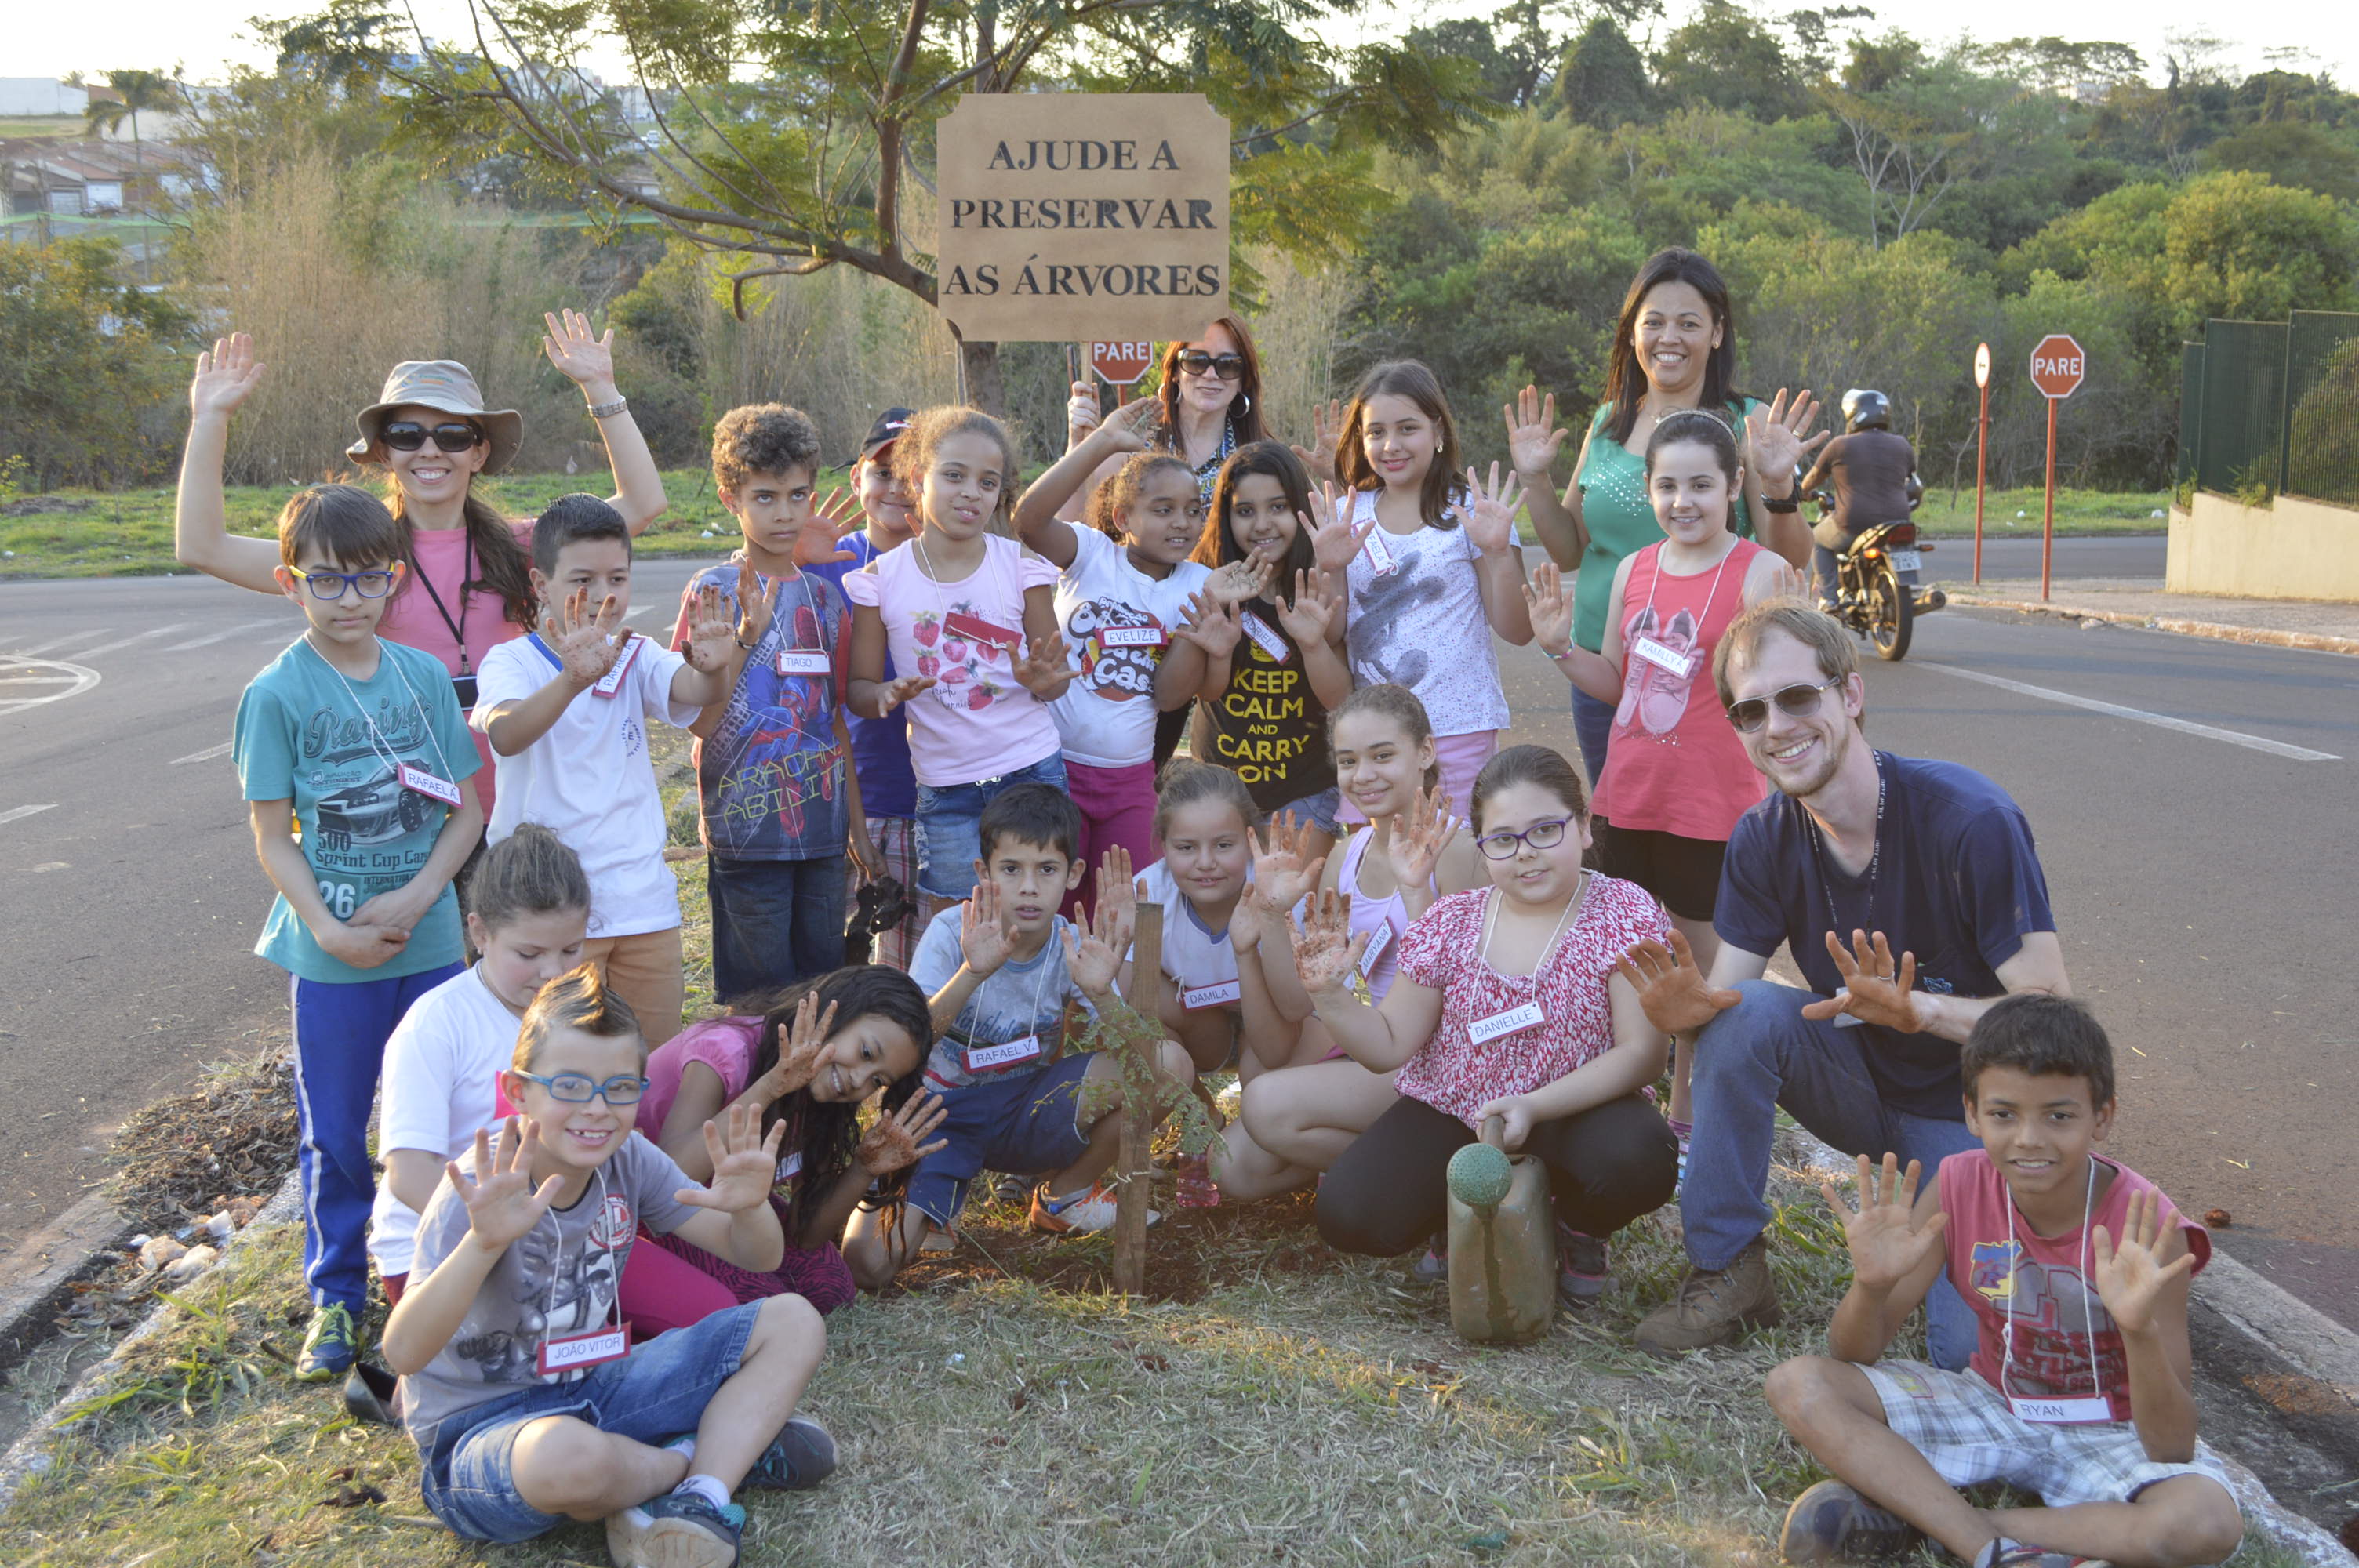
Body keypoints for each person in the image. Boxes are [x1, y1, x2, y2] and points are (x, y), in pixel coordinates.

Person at [1617, 601, 2070, 1363]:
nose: (1777, 726)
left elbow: (2050, 1017)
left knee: (1970, 1354)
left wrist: (1918, 1009)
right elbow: (1727, 1003)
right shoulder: (1763, 837)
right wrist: (1682, 1014)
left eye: (1797, 696)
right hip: (1860, 1091)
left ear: (1849, 695)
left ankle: (1991, 1255)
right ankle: (1727, 1267)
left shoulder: (1968, 818)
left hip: (1968, 1121)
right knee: (1747, 1015)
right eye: (1750, 709)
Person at [1765, 996, 2242, 1568]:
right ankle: (1991, 1551)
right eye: (2004, 1114)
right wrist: (1871, 1285)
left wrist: (2137, 1330)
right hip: (1991, 1403)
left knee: (2206, 1524)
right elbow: (1853, 1354)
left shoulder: (2149, 1227)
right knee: (1799, 1384)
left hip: (2113, 1429)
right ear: (1972, 1113)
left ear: (2103, 1117)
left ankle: (1936, 1523)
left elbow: (2171, 1445)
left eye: (2059, 1116)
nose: (2029, 1139)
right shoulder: (1958, 1183)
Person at [384, 964, 834, 1567]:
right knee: (568, 1458)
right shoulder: (479, 1189)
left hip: (596, 1385)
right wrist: (482, 1244)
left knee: (794, 1320)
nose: (597, 1110)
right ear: (518, 1092)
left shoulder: (628, 1158)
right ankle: (694, 1461)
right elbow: (403, 1355)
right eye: (570, 1086)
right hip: (479, 1435)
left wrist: (750, 1209)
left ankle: (702, 1498)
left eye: (621, 1087)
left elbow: (759, 1257)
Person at [174, 321, 669, 830]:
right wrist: (211, 417)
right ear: (384, 452)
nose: (430, 451)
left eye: (453, 435)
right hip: (406, 817)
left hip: (522, 803)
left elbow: (642, 503)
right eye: (407, 435)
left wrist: (601, 388)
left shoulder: (521, 547)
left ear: (479, 453)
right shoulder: (354, 562)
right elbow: (202, 546)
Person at [230, 483, 484, 1381]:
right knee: (337, 1131)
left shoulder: (420, 677)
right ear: (289, 581)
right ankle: (335, 1295)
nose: (350, 600)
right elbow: (271, 836)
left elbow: (465, 807)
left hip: (432, 944)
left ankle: (454, 1269)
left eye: (369, 579)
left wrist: (420, 897)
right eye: (327, 581)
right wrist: (328, 929)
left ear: (396, 578)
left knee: (455, 1119)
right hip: (332, 959)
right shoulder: (276, 694)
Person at [1294, 745, 1681, 1305]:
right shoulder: (1452, 920)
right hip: (1460, 1111)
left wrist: (1534, 1106)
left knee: (1639, 1158)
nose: (1525, 854)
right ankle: (1462, 1215)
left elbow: (1642, 1054)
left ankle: (1578, 1225)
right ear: (1482, 848)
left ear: (1585, 827)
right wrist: (1329, 996)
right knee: (1349, 1216)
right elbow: (1390, 1044)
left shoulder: (1624, 910)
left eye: (1546, 830)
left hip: (1580, 1109)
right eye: (1503, 840)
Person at [1524, 409, 1797, 1167]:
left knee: (1702, 981)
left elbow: (1788, 692)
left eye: (1702, 485)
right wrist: (1558, 649)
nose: (1684, 501)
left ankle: (1689, 1129)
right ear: (1648, 490)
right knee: (1636, 965)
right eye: (1668, 485)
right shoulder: (1634, 571)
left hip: (1715, 808)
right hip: (1628, 799)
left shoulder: (1760, 573)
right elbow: (1616, 684)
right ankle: (1632, 1117)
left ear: (1733, 486)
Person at [841, 786, 1196, 1279]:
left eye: (1046, 870)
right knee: (870, 1263)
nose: (1029, 888)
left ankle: (1064, 1195)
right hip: (938, 1118)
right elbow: (908, 1042)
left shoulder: (1071, 945)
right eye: (1011, 870)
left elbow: (1138, 1061)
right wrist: (972, 972)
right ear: (984, 874)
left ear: (1072, 876)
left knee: (1169, 1063)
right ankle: (939, 1199)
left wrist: (1103, 993)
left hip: (1027, 1107)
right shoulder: (951, 932)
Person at [1510, 249, 1823, 786]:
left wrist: (1778, 486)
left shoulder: (1749, 423)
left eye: (1688, 323)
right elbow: (1569, 549)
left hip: (1713, 676)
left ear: (1717, 333)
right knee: (1622, 830)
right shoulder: (1610, 421)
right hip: (1602, 669)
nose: (1668, 338)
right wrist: (1536, 478)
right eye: (1652, 322)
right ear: (1632, 333)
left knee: (1708, 826)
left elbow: (1789, 563)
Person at [471, 497, 762, 1047]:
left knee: (645, 1065)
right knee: (553, 1066)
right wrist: (571, 680)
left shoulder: (637, 654)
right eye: (583, 579)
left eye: (618, 577)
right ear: (540, 583)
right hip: (546, 911)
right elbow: (506, 734)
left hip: (642, 904)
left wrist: (717, 664)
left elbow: (698, 697)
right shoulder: (511, 662)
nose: (605, 594)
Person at [1214, 685, 1478, 1206]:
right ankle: (1388, 1174)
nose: (1364, 775)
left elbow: (1471, 991)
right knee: (1231, 1168)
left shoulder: (1460, 852)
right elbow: (1299, 1004)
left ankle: (1433, 1176)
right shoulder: (1345, 855)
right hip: (1358, 1042)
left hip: (1427, 1061)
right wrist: (1272, 915)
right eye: (1348, 760)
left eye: (1383, 755)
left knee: (1266, 1104)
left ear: (1425, 752)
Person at [842, 407, 1079, 923]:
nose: (972, 492)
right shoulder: (879, 581)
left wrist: (1043, 682)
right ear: (918, 478)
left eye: (988, 482)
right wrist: (882, 695)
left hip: (1031, 769)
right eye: (954, 475)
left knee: (1029, 918)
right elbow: (857, 688)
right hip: (945, 787)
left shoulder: (1021, 567)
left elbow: (1054, 681)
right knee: (958, 924)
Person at [1012, 403, 1246, 916]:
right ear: (1124, 518)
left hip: (1129, 782)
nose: (1183, 523)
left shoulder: (1197, 584)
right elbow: (1028, 521)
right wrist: (1097, 443)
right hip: (1056, 772)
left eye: (1193, 508)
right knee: (1053, 909)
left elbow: (1169, 696)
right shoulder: (1093, 555)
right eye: (1163, 510)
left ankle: (1125, 999)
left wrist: (1202, 618)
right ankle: (1055, 998)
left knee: (1132, 910)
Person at [678, 404, 870, 996]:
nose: (784, 512)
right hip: (745, 833)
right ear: (730, 498)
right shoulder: (712, 592)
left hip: (821, 835)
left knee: (821, 990)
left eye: (797, 495)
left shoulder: (827, 602)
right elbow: (703, 722)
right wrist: (744, 639)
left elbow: (833, 721)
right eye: (764, 496)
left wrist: (857, 834)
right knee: (759, 1002)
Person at [631, 967, 944, 1316]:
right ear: (835, 1012)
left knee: (831, 1289)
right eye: (867, 1053)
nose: (859, 1080)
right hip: (641, 1202)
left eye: (877, 1081)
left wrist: (863, 1168)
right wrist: (769, 1087)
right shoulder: (725, 1049)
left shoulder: (824, 1100)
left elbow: (806, 1234)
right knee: (762, 1299)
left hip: (729, 1199)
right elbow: (669, 1181)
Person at [370, 823, 591, 1308]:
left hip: (557, 1231)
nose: (554, 972)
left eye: (572, 950)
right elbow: (409, 1172)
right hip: (442, 1251)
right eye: (529, 953)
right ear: (480, 933)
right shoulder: (436, 1024)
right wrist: (505, 1238)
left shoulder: (584, 1013)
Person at [1310, 360, 1532, 814]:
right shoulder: (1350, 514)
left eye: (1407, 428)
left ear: (1437, 431)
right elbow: (1331, 635)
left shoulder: (1471, 512)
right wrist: (1330, 569)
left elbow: (1517, 629)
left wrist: (1496, 553)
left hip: (1457, 726)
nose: (1391, 445)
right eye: (1376, 433)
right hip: (1372, 738)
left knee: (1455, 864)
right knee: (1378, 867)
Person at [1180, 442, 1353, 857]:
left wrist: (1312, 643)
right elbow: (1209, 693)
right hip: (1220, 789)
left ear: (1299, 509)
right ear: (1225, 517)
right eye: (1245, 511)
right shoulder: (1210, 581)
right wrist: (1219, 639)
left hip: (1305, 789)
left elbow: (1340, 698)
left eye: (1277, 507)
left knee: (1289, 908)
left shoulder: (1315, 583)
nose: (1262, 525)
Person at [806, 408, 925, 967]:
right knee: (836, 966)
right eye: (883, 473)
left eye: (912, 473)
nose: (898, 488)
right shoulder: (825, 561)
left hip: (929, 802)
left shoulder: (955, 562)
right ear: (857, 480)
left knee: (910, 970)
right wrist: (775, 558)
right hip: (847, 800)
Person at [1798, 388, 1921, 609]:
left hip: (1853, 522)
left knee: (1817, 538)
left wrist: (1802, 492)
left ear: (1854, 415)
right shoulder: (1902, 444)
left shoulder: (1840, 445)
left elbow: (1814, 477)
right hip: (1899, 520)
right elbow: (1910, 478)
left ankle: (1829, 597)